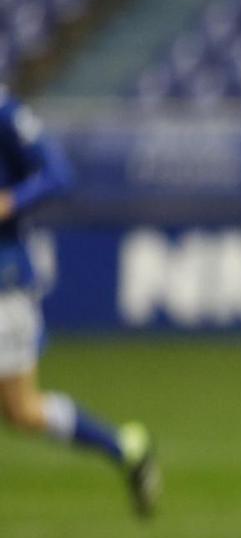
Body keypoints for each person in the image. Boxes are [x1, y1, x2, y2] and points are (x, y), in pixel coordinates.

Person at [0, 88, 159, 514]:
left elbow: (58, 174)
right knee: (22, 412)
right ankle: (124, 446)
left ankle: (123, 446)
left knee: (21, 408)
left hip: (4, 285)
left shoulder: (5, 114)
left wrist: (12, 201)